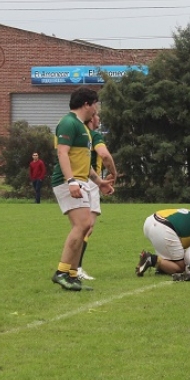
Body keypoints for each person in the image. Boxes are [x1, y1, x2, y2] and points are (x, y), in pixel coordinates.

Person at [49, 86, 105, 291]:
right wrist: (71, 180)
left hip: (80, 180)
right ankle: (62, 272)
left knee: (86, 225)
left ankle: (71, 274)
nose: (96, 109)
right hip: (68, 181)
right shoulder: (68, 123)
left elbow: (82, 160)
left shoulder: (82, 127)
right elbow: (62, 154)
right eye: (95, 104)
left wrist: (99, 182)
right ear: (86, 104)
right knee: (82, 225)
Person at [76, 114, 117, 282]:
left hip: (83, 179)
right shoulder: (94, 135)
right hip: (89, 181)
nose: (99, 119)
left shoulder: (81, 135)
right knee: (85, 227)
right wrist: (114, 173)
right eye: (97, 116)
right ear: (92, 119)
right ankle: (74, 268)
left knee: (85, 227)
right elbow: (105, 155)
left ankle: (74, 267)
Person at [136, 208, 190, 276]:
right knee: (181, 268)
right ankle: (151, 259)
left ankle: (163, 267)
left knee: (173, 254)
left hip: (151, 220)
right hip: (164, 228)